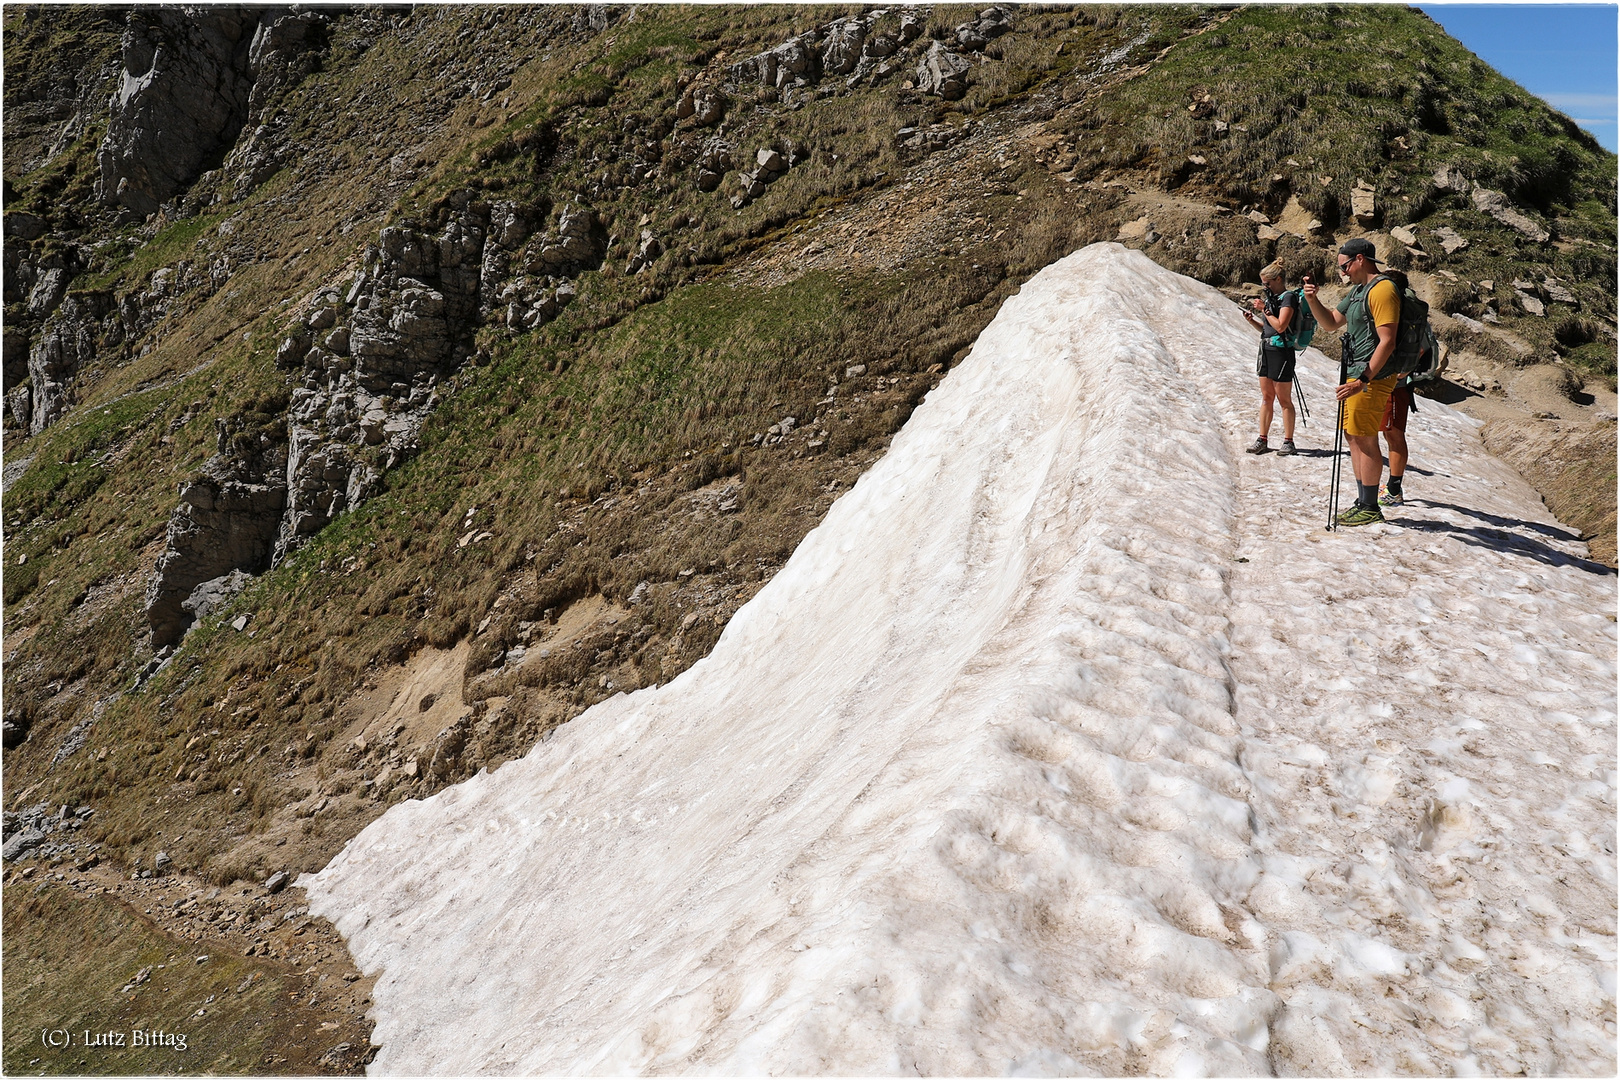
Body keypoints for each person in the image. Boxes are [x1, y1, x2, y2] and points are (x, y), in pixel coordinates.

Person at [1302, 238, 1400, 527]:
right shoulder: (1359, 291)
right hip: (1358, 374)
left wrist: (1363, 380)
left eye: (1344, 266)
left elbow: (1388, 341)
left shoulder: (1383, 290)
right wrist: (1311, 299)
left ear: (1360, 259)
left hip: (1373, 377)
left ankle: (1370, 506)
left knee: (1365, 436)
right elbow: (1331, 323)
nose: (1343, 272)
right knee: (1353, 434)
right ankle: (1362, 501)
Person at [1241, 261, 1298, 455]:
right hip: (1266, 349)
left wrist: (1264, 309)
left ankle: (1288, 441)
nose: (1265, 287)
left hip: (1282, 353)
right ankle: (1262, 438)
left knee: (1284, 399)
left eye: (1267, 283)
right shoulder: (1273, 299)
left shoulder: (1288, 298)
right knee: (1267, 397)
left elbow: (1281, 326)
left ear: (1278, 279)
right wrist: (1254, 321)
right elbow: (1269, 329)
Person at [1379, 376, 1411, 505]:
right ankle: (1392, 488)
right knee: (1389, 434)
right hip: (1391, 385)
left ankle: (1394, 491)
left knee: (1394, 435)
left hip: (1395, 387)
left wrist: (1400, 375)